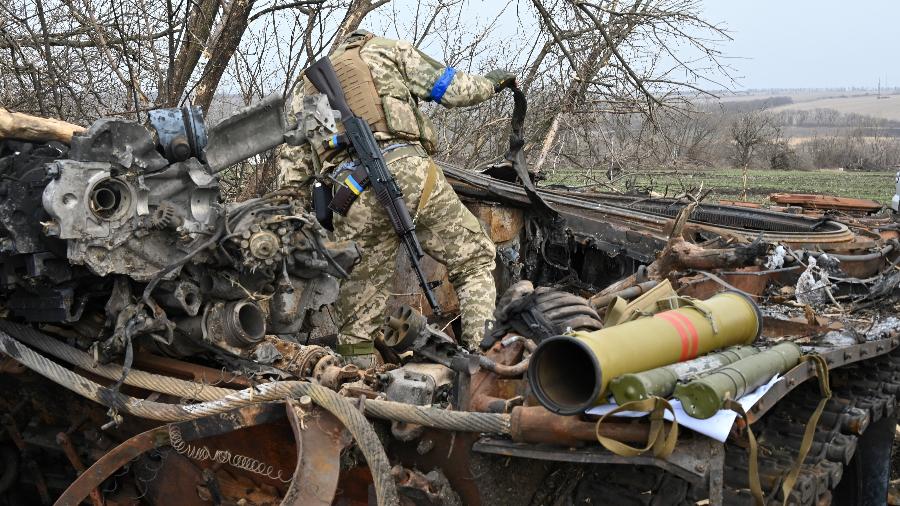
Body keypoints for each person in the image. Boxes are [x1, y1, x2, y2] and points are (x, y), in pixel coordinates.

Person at [277, 30, 516, 366]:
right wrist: (492, 82)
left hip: (352, 194)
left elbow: (293, 175)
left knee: (358, 317)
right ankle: (481, 360)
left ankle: (354, 386)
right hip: (411, 173)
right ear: (365, 37)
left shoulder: (307, 89)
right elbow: (455, 91)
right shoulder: (389, 52)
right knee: (474, 259)